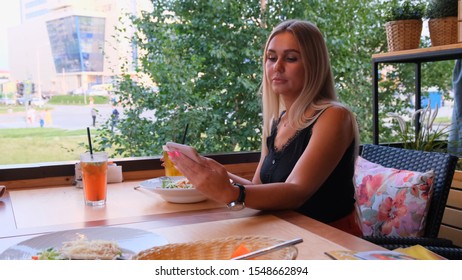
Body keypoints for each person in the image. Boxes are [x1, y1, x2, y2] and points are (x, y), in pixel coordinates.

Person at [166, 20, 361, 236]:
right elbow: (258, 187)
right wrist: (210, 170)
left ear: (314, 64)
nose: (277, 67)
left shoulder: (333, 115)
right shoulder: (277, 122)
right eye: (271, 58)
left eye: (290, 58)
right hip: (287, 232)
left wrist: (231, 193)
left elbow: (297, 191)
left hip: (332, 239)